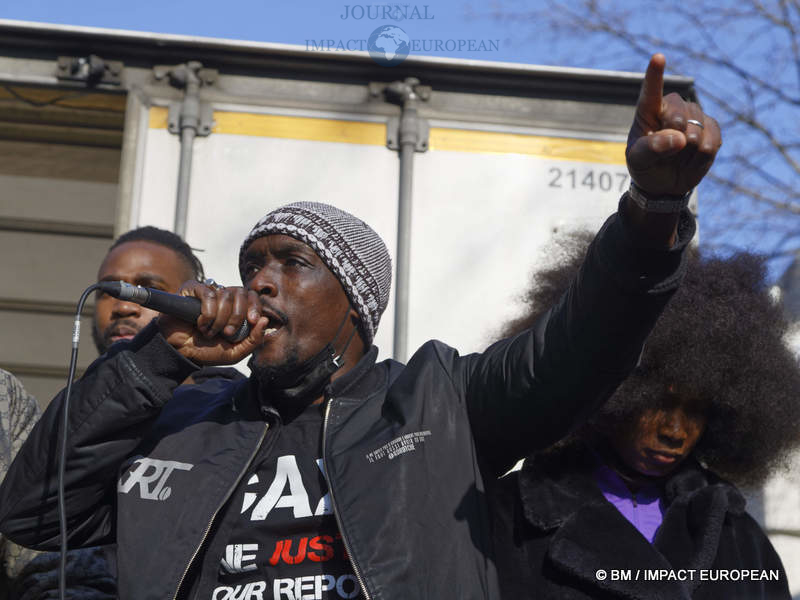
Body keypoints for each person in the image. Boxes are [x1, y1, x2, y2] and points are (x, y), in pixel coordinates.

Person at [0, 54, 720, 599]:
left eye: (292, 262)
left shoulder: (437, 403)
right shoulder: (184, 415)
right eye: (252, 265)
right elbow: (34, 513)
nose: (260, 281)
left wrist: (651, 213)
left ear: (356, 303)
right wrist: (155, 364)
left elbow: (578, 349)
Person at [490, 234, 800, 599]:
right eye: (658, 402)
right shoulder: (508, 519)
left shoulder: (740, 538)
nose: (675, 430)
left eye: (697, 409)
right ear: (609, 391)